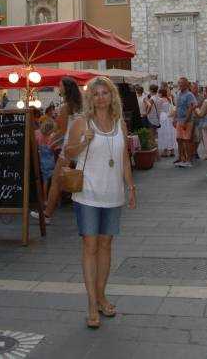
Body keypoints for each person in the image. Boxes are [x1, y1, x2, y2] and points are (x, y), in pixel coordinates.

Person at [65, 76, 136, 329]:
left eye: (105, 93)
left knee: (106, 244)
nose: (101, 98)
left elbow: (124, 158)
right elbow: (68, 153)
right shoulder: (81, 122)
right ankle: (91, 304)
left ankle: (102, 295)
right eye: (96, 94)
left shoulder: (120, 123)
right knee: (90, 245)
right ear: (90, 98)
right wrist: (84, 141)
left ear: (112, 96)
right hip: (87, 194)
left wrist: (131, 187)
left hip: (113, 193)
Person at [39, 78, 82, 222]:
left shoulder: (66, 107)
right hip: (79, 145)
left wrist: (51, 141)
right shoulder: (80, 105)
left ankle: (47, 214)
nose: (58, 87)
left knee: (56, 181)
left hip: (68, 148)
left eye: (60, 85)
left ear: (66, 89)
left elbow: (62, 131)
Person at [173, 77, 197, 167]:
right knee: (179, 139)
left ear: (186, 84)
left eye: (182, 83)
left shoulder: (189, 95)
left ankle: (188, 160)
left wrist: (185, 121)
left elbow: (191, 108)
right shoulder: (178, 93)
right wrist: (174, 118)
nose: (180, 85)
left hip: (187, 121)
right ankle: (181, 157)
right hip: (179, 120)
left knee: (187, 140)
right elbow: (177, 107)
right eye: (179, 83)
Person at [35, 119, 56, 202]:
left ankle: (45, 199)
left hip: (42, 161)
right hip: (51, 161)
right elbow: (53, 149)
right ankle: (55, 200)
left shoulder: (38, 135)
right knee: (54, 181)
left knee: (45, 181)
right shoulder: (51, 138)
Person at [156, 87, 176, 157]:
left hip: (163, 117)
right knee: (170, 133)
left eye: (159, 93)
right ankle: (172, 150)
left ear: (161, 93)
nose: (158, 94)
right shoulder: (169, 99)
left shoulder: (160, 100)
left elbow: (158, 109)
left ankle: (165, 151)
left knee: (163, 133)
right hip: (169, 117)